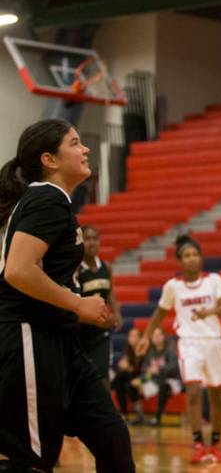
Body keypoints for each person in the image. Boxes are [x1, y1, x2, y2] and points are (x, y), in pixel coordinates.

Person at [0, 119, 134, 472]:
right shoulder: (44, 198)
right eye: (75, 143)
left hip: (62, 342)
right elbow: (17, 270)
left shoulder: (55, 203)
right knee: (31, 461)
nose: (85, 148)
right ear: (50, 159)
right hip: (29, 336)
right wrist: (78, 303)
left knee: (113, 438)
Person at [138, 235, 221, 464]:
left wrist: (208, 313)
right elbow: (160, 313)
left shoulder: (214, 280)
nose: (192, 259)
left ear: (201, 258)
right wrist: (146, 336)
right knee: (192, 391)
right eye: (187, 255)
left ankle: (216, 443)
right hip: (189, 343)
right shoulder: (173, 286)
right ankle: (199, 443)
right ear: (180, 261)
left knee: (218, 395)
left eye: (195, 254)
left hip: (213, 341)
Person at [76, 225, 122, 385]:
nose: (91, 243)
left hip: (101, 331)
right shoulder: (77, 269)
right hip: (82, 330)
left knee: (103, 376)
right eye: (87, 239)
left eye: (95, 238)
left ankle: (106, 410)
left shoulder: (106, 267)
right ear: (81, 242)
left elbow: (110, 292)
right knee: (83, 377)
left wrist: (116, 313)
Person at [140, 327, 180, 426]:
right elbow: (145, 370)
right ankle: (139, 416)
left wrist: (158, 370)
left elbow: (173, 367)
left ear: (163, 337)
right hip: (154, 381)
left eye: (159, 335)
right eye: (154, 335)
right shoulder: (150, 352)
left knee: (163, 385)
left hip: (171, 380)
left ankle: (157, 417)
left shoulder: (170, 350)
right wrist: (144, 379)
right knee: (132, 384)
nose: (156, 337)